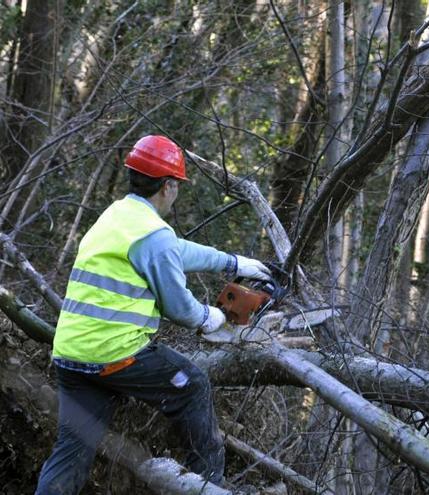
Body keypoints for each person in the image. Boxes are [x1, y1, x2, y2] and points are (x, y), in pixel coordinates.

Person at [35, 135, 271, 494]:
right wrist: (211, 319)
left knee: (71, 452)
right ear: (169, 185)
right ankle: (208, 486)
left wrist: (233, 262)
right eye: (176, 185)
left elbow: (175, 250)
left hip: (71, 356)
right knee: (192, 386)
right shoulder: (152, 234)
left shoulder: (116, 216)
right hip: (115, 355)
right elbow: (179, 307)